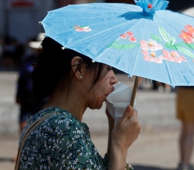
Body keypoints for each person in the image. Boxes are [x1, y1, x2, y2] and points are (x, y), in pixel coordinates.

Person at [16, 36, 141, 169]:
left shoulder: (46, 120)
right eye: (107, 67)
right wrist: (120, 144)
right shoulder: (64, 130)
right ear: (79, 68)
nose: (114, 79)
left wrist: (114, 125)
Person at [15, 33, 45, 133]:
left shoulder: (51, 62)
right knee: (23, 126)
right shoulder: (28, 60)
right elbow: (21, 79)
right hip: (27, 98)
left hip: (43, 99)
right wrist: (18, 94)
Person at [176, 85, 194, 170]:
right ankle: (185, 163)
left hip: (181, 92)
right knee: (190, 132)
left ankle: (183, 161)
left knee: (184, 130)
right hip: (192, 93)